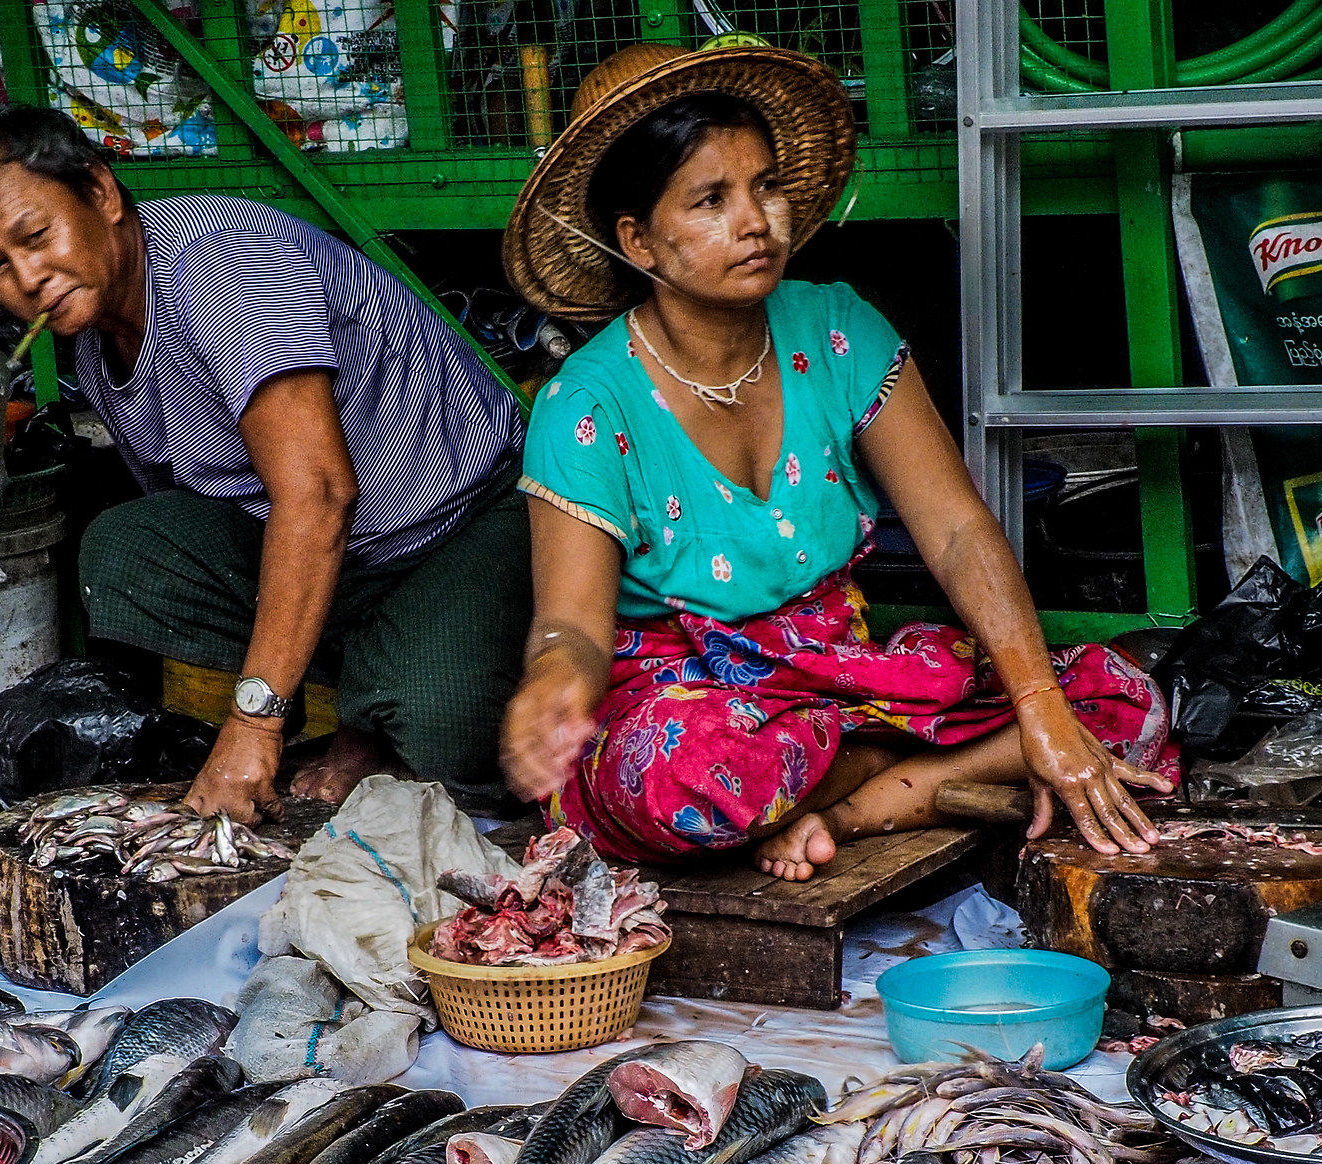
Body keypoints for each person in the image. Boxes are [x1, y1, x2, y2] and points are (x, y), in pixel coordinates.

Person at [496, 42, 1178, 878]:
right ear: (638, 241)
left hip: (842, 679)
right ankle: (905, 785)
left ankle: (845, 811)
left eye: (766, 186)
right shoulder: (585, 404)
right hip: (686, 705)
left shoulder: (838, 328)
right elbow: (571, 625)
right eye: (711, 200)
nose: (756, 222)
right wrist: (556, 681)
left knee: (1116, 699)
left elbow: (959, 531)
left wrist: (1038, 706)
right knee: (685, 777)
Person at [0, 107, 530, 821]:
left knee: (445, 727)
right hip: (343, 560)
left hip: (460, 525)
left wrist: (254, 722)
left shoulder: (220, 264)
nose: (28, 277)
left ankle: (379, 713)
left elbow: (319, 495)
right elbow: (202, 503)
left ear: (101, 193)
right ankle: (370, 696)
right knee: (127, 551)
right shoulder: (96, 338)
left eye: (37, 235)